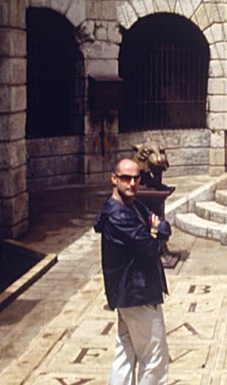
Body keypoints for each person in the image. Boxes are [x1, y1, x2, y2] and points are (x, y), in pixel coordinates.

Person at [94, 158, 171, 385]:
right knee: (154, 357)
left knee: (126, 351)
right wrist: (156, 231)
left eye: (136, 178)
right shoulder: (119, 216)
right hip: (137, 293)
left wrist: (157, 229)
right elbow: (152, 247)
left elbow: (162, 226)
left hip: (128, 294)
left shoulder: (134, 205)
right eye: (126, 178)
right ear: (114, 179)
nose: (132, 183)